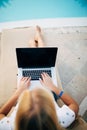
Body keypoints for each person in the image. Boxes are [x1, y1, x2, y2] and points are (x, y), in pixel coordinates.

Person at [0, 26, 79, 130]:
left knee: (35, 63)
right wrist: (53, 87)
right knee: (44, 63)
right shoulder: (59, 120)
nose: (34, 92)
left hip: (23, 90)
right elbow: (74, 105)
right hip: (46, 87)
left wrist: (18, 92)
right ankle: (38, 39)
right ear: (51, 113)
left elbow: (1, 113)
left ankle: (34, 44)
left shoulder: (12, 125)